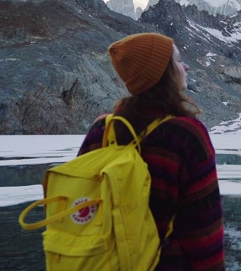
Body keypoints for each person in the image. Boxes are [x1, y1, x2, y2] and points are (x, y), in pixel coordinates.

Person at [77, 32, 225, 270]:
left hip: (105, 262)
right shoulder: (186, 135)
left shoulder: (101, 129)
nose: (185, 66)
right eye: (177, 60)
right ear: (162, 72)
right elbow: (204, 232)